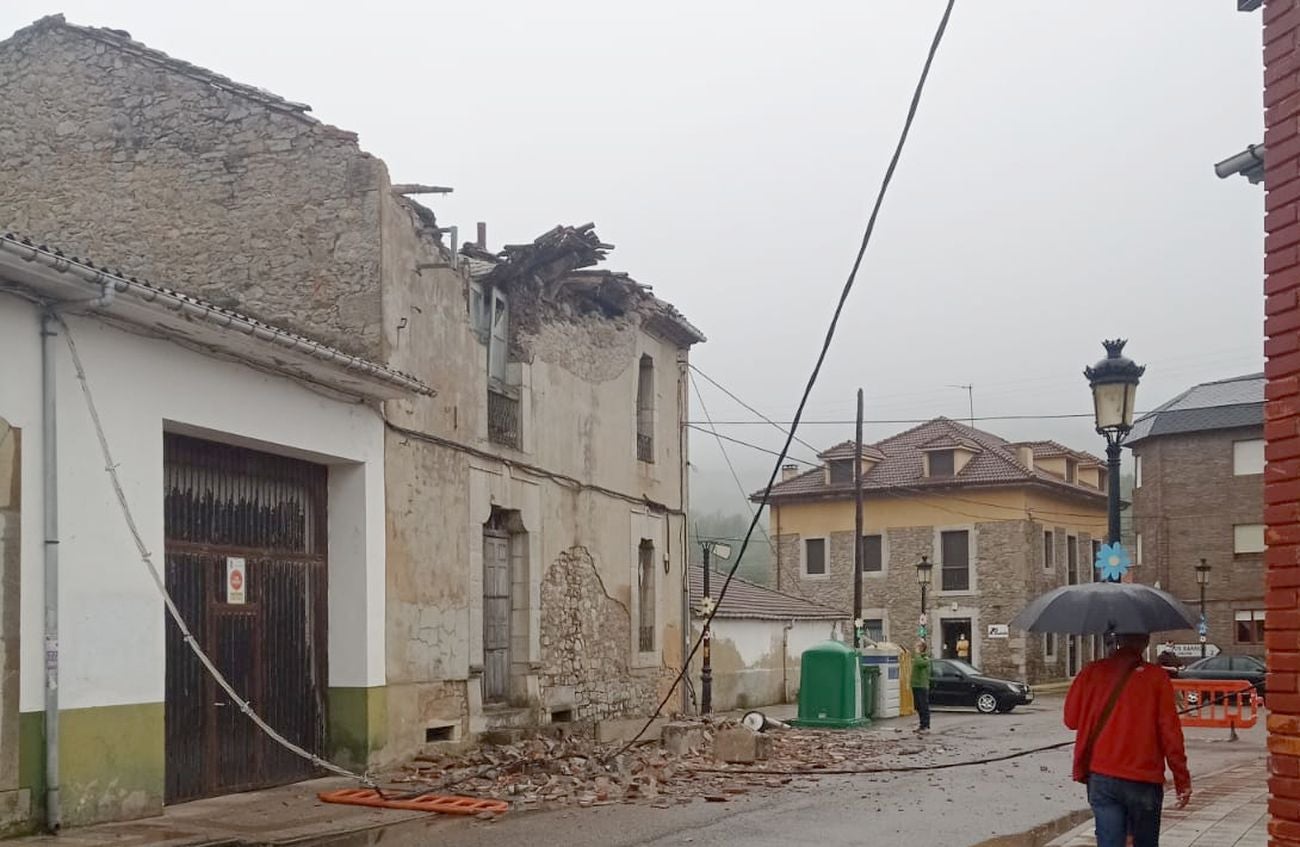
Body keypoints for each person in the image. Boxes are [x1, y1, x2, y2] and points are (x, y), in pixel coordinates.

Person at [1064, 632, 1191, 847]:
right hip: (1145, 777)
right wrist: (1182, 779)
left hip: (1103, 774)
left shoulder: (1091, 672)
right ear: (1145, 642)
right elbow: (1171, 733)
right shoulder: (1156, 677)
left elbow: (1071, 720)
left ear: (1117, 639)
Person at [912, 641, 932, 734]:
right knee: (918, 706)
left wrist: (917, 653)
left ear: (921, 648)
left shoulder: (924, 658)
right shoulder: (919, 658)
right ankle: (922, 724)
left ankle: (925, 726)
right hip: (916, 685)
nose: (915, 648)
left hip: (922, 685)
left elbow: (919, 663)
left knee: (923, 706)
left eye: (917, 646)